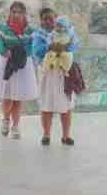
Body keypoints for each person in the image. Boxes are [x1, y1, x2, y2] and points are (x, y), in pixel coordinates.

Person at [33, 8, 79, 146]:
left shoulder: (68, 31)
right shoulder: (38, 35)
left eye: (50, 18)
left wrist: (64, 47)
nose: (48, 21)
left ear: (56, 18)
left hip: (63, 73)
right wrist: (50, 46)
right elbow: (36, 51)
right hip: (47, 73)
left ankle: (66, 136)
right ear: (41, 20)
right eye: (45, 18)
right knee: (46, 104)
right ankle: (46, 135)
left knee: (66, 104)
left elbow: (75, 45)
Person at [0, 1, 37, 140]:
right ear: (10, 13)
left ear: (24, 14)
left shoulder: (30, 30)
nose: (16, 14)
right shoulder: (3, 28)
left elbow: (32, 46)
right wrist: (4, 51)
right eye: (13, 11)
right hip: (7, 63)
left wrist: (22, 53)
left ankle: (15, 126)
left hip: (22, 64)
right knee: (7, 95)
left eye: (19, 12)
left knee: (18, 97)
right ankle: (5, 120)